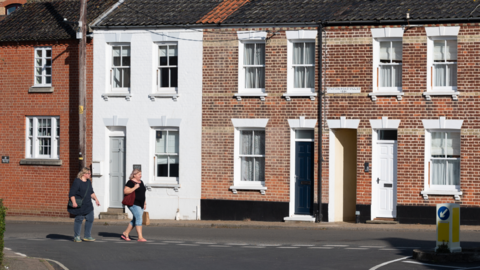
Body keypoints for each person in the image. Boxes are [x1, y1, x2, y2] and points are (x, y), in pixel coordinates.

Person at [68, 167, 100, 242]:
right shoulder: (77, 182)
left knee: (90, 219)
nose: (90, 174)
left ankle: (87, 236)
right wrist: (74, 202)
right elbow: (71, 193)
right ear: (84, 174)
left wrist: (96, 200)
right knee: (79, 220)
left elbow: (91, 192)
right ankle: (76, 236)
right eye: (89, 173)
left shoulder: (88, 182)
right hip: (80, 205)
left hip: (88, 204)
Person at [121, 169, 147, 242]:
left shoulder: (141, 182)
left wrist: (145, 203)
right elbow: (125, 191)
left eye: (141, 174)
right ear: (134, 175)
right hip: (133, 203)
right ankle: (140, 237)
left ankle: (125, 233)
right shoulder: (130, 182)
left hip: (141, 203)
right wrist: (135, 187)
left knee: (135, 219)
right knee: (139, 219)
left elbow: (143, 193)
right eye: (139, 174)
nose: (140, 176)